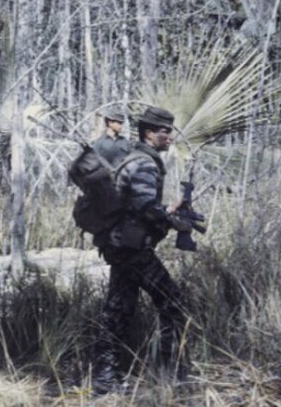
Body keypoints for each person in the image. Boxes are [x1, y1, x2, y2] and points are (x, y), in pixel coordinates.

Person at [93, 106, 192, 393]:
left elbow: (138, 203)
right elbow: (145, 207)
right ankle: (169, 371)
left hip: (121, 245)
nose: (169, 137)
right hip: (133, 249)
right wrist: (177, 223)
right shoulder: (146, 163)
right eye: (164, 131)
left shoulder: (134, 157)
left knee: (118, 311)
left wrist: (167, 211)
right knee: (173, 304)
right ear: (149, 133)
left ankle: (105, 378)